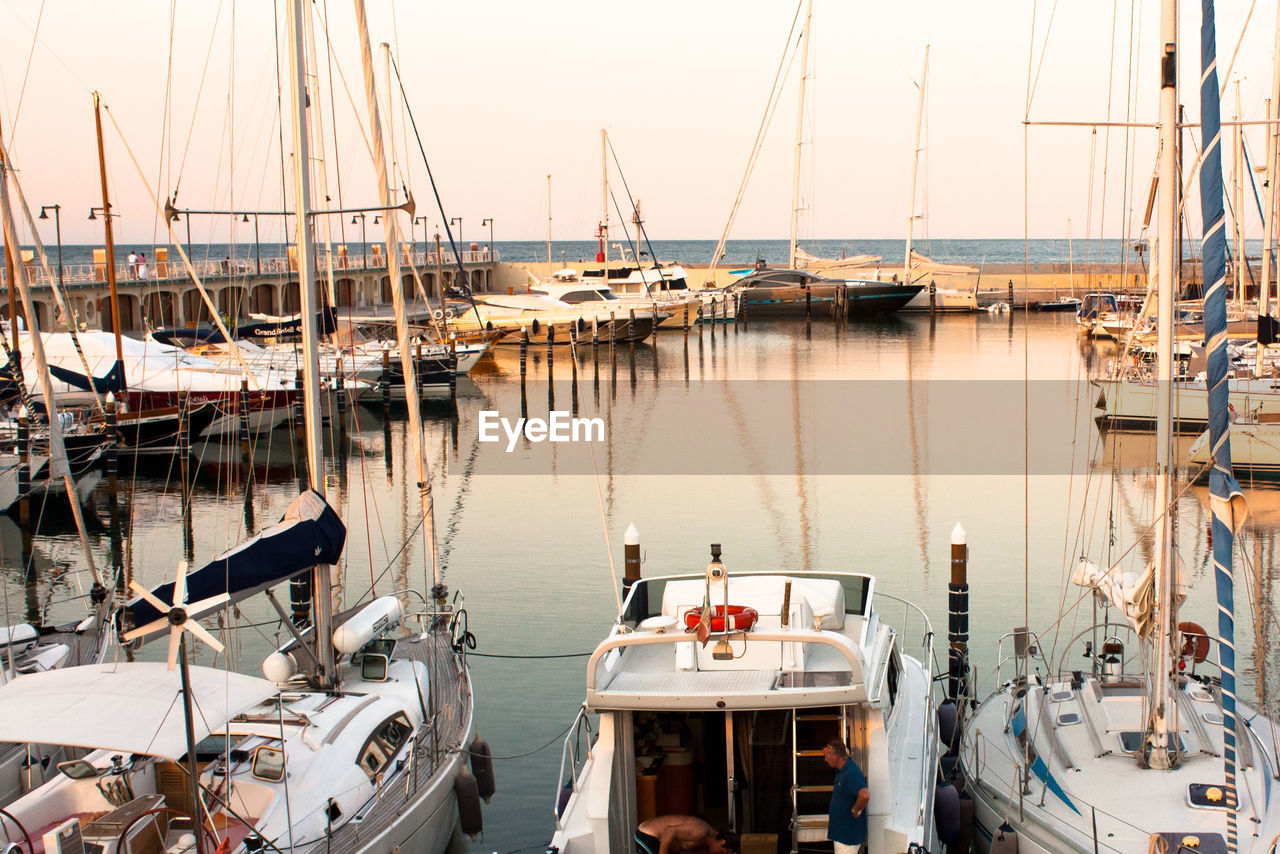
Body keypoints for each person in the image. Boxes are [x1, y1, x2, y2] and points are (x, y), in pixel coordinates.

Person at [824, 737, 870, 854]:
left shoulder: (851, 772)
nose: (825, 760)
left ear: (835, 756)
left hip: (847, 835)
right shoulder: (843, 769)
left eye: (826, 756)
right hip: (842, 833)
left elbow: (864, 795)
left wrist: (856, 810)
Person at [634, 815, 735, 854]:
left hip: (660, 842)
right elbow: (670, 831)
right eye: (721, 852)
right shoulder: (701, 831)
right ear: (721, 842)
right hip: (648, 835)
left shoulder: (705, 844)